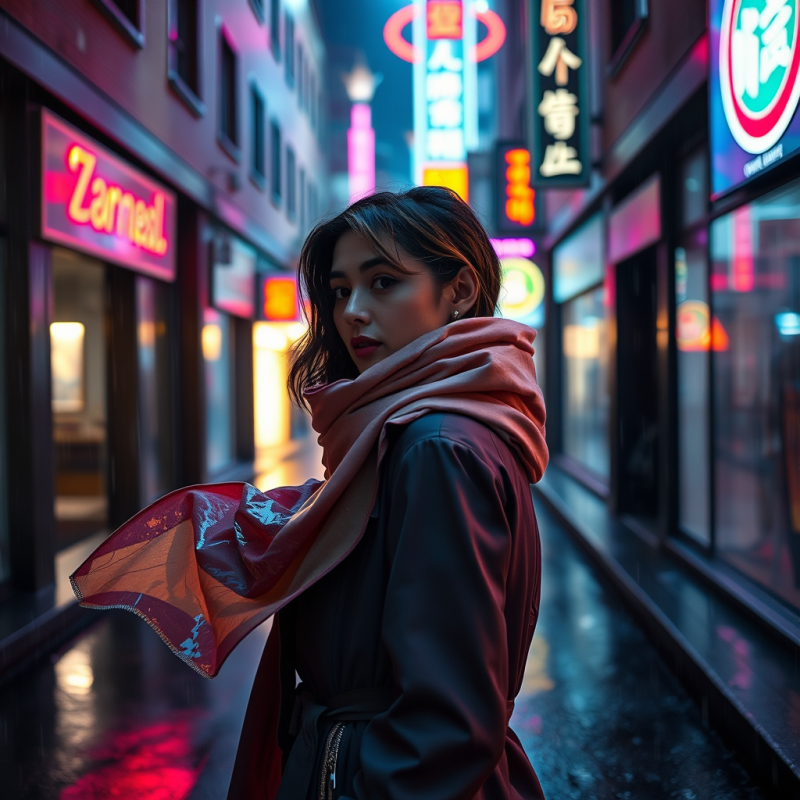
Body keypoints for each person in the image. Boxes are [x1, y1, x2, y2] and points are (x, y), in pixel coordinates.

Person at [71, 187, 548, 800]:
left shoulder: (435, 446)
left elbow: (449, 721)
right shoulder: (427, 431)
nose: (352, 311)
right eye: (341, 290)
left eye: (383, 283)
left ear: (457, 290)